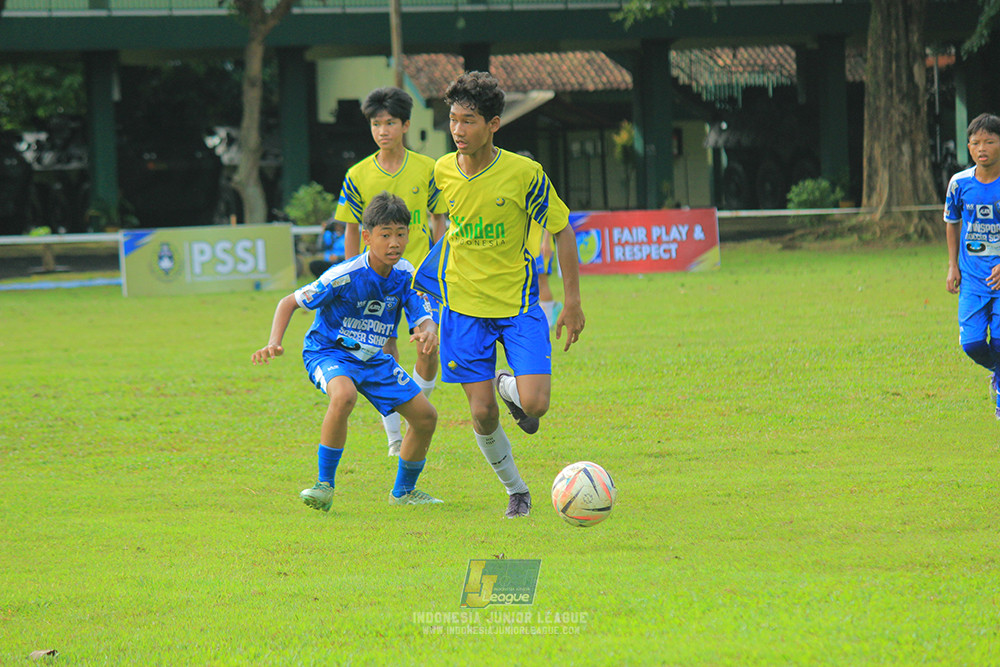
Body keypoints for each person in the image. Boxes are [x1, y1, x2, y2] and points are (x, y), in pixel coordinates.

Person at [413, 71, 586, 518]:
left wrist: (571, 302)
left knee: (536, 405)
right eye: (453, 119)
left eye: (468, 121)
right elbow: (437, 220)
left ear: (493, 124)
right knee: (483, 414)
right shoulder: (441, 171)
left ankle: (507, 386)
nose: (457, 130)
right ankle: (517, 491)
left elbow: (563, 230)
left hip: (518, 305)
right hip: (463, 310)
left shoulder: (524, 174)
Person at [252, 191, 443, 509]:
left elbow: (422, 314)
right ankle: (323, 486)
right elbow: (288, 302)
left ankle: (404, 493)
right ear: (367, 237)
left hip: (373, 358)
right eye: (385, 235)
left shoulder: (405, 274)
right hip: (328, 351)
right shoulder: (344, 275)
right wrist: (274, 342)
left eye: (400, 234)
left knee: (426, 418)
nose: (394, 243)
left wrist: (428, 332)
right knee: (343, 395)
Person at [333, 86, 449, 457]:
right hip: (375, 280)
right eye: (376, 124)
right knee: (384, 352)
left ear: (406, 125)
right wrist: (353, 278)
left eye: (390, 123)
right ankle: (395, 439)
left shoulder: (427, 169)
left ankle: (417, 411)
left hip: (418, 280)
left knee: (428, 348)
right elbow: (352, 229)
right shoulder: (357, 175)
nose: (383, 131)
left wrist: (438, 268)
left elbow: (438, 220)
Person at [945, 112, 1000, 419]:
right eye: (976, 143)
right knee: (973, 343)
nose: (982, 148)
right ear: (968, 147)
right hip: (973, 278)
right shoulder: (959, 183)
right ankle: (998, 371)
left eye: (989, 142)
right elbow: (952, 222)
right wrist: (952, 266)